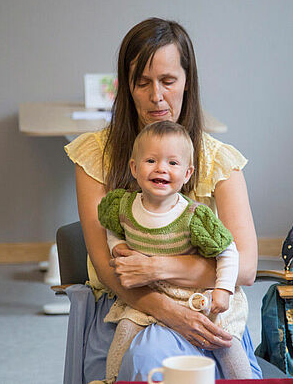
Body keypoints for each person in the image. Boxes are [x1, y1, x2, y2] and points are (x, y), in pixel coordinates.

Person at [65, 17, 279, 381]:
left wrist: (156, 267)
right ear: (127, 86)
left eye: (168, 81)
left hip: (208, 307)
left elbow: (242, 268)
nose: (156, 96)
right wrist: (167, 310)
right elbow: (108, 267)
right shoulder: (95, 155)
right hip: (128, 305)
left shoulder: (219, 161)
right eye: (142, 82)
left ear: (187, 82)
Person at [91, 121, 251, 383]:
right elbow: (113, 229)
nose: (161, 168)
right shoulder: (123, 205)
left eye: (172, 163)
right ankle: (112, 379)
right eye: (151, 160)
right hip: (150, 291)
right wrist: (116, 247)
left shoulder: (194, 215)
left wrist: (223, 289)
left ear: (187, 174)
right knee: (125, 330)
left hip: (190, 292)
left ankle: (245, 380)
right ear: (134, 167)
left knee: (223, 340)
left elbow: (228, 251)